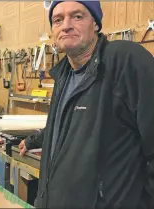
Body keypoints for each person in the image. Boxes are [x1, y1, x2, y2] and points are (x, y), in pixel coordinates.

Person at [33, 1, 154, 208]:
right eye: (58, 20)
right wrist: (34, 140)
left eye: (77, 16)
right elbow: (70, 127)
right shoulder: (63, 75)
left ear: (96, 24)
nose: (66, 25)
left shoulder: (125, 60)